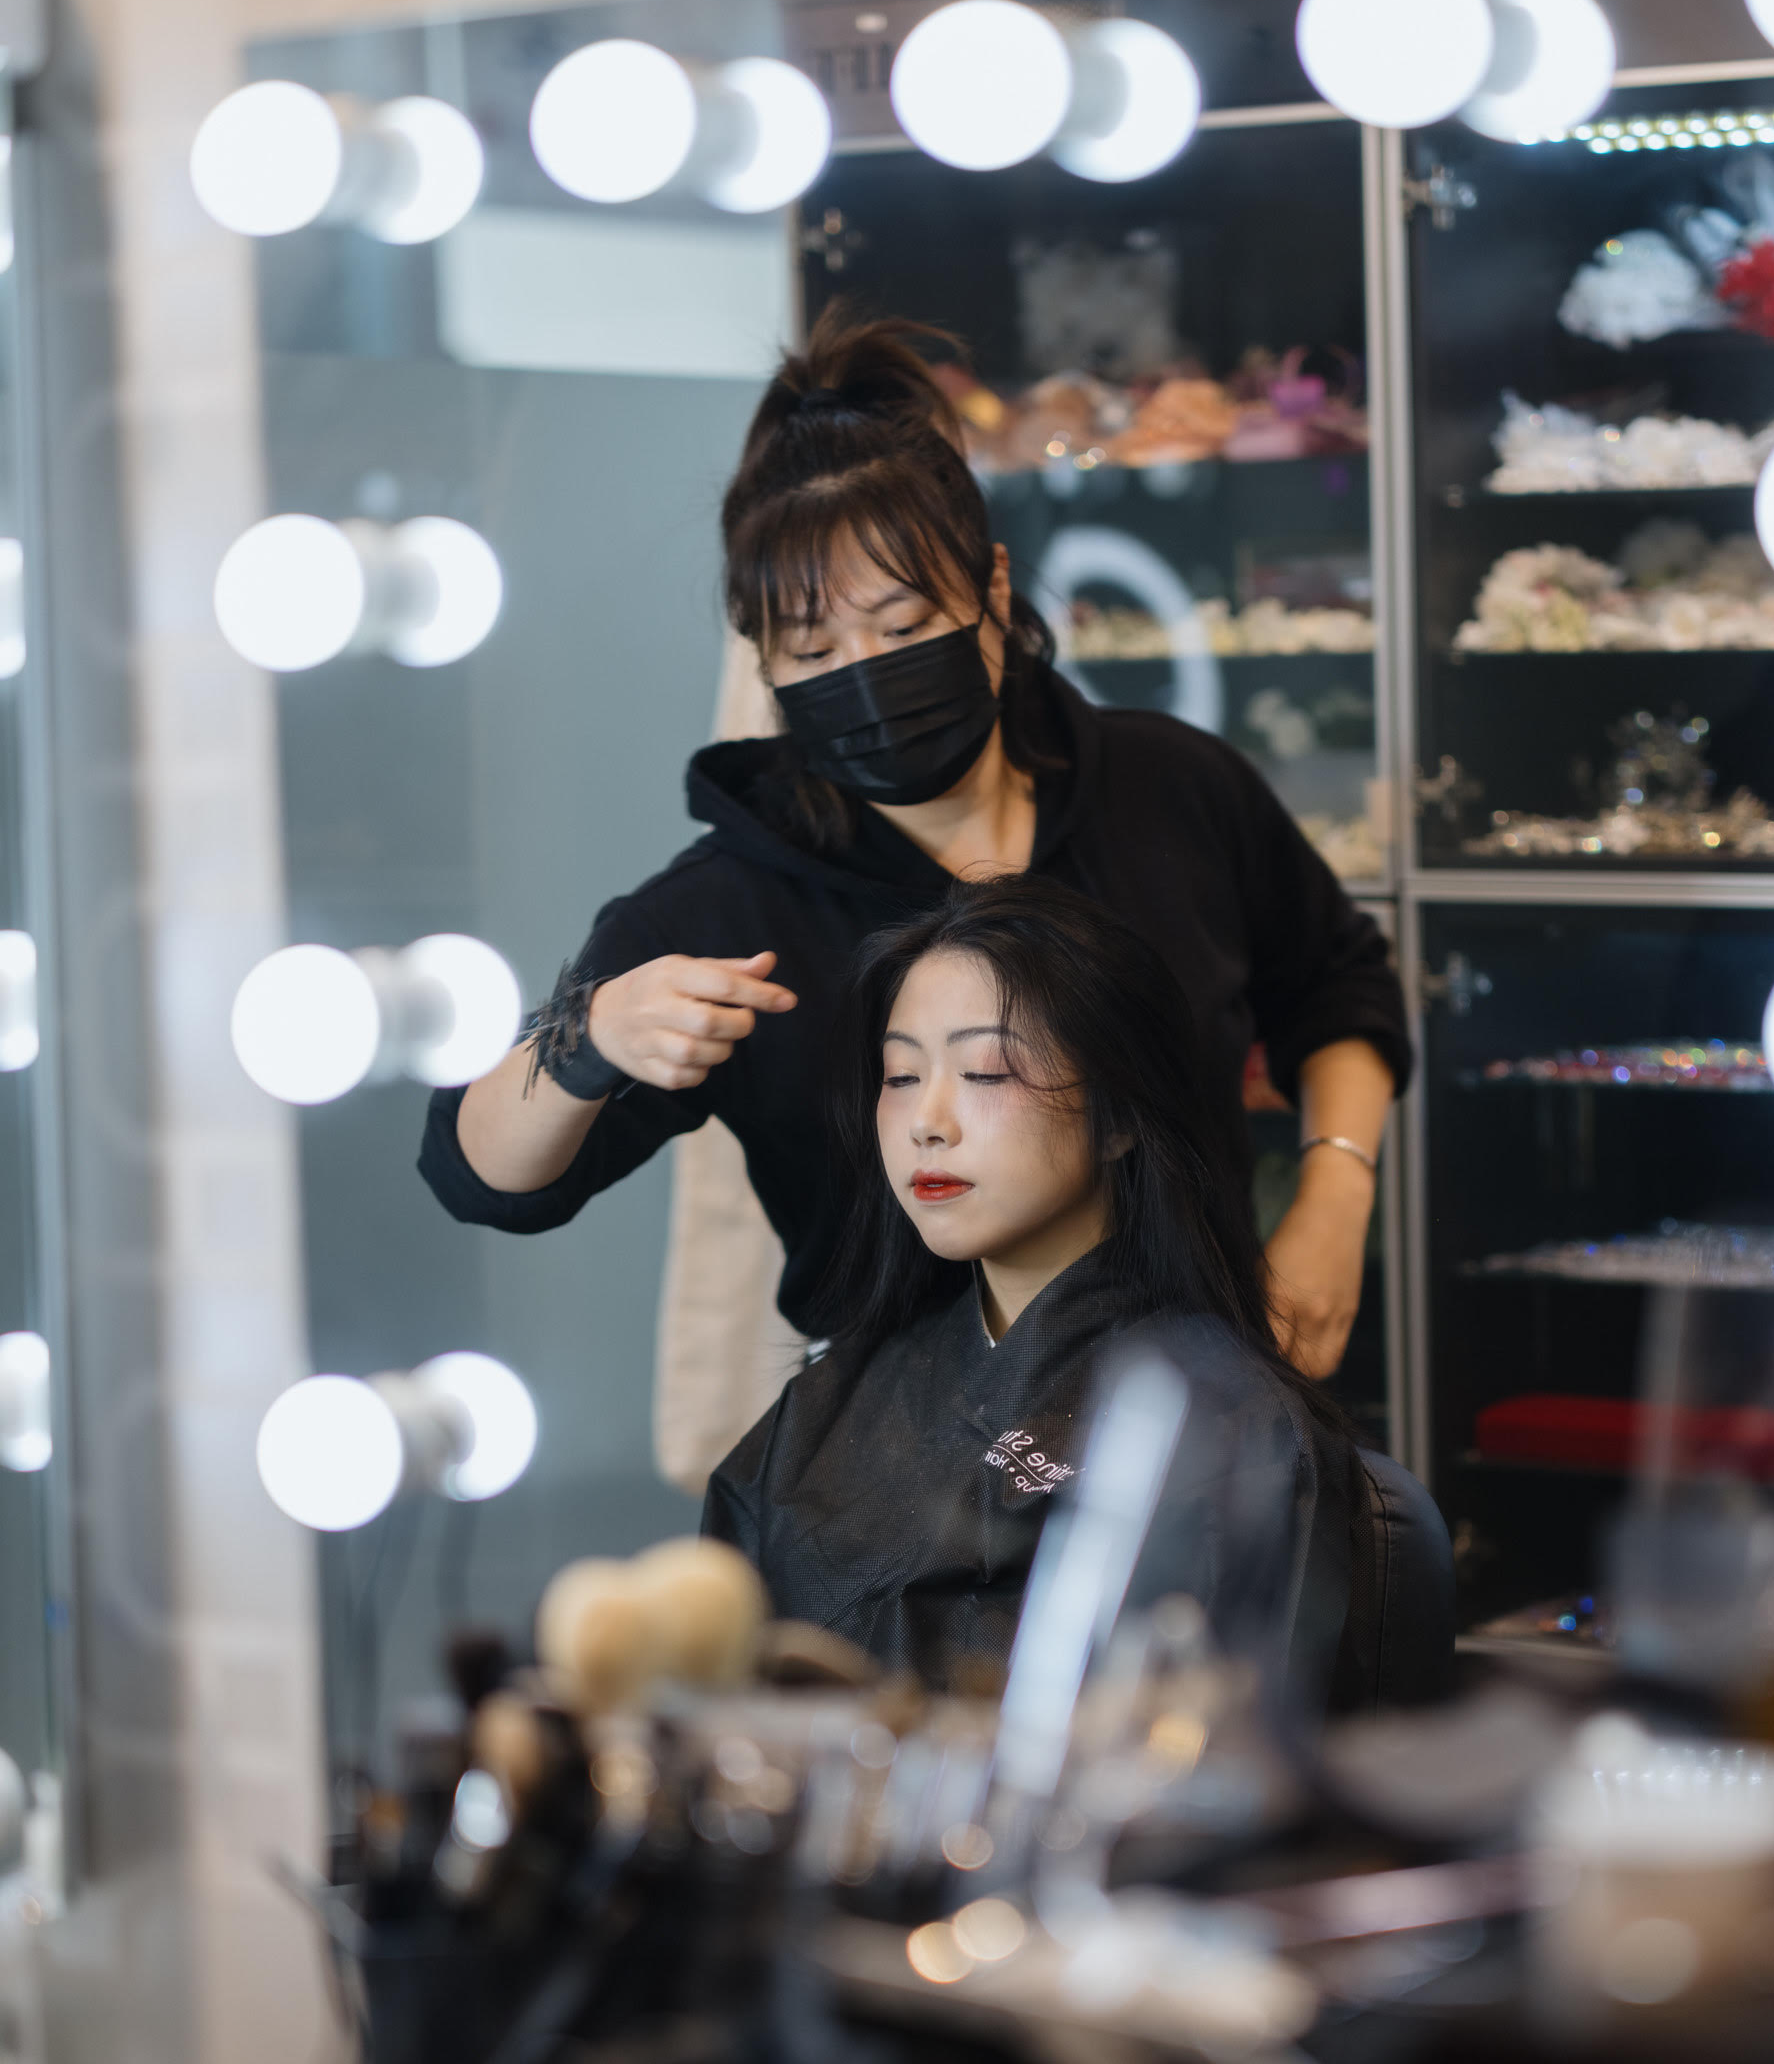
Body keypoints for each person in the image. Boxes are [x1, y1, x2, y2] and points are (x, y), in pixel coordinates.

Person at [419, 305, 1411, 1382]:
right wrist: (591, 1038)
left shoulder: (1171, 786)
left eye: (899, 627)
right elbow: (480, 1175)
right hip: (902, 1494)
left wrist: (1334, 1197)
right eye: (811, 644)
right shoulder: (724, 915)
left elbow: (1340, 984)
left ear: (991, 593)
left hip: (1209, 1416)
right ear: (764, 661)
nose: (865, 668)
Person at [701, 880, 1381, 1709]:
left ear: (1122, 1115)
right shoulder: (828, 1399)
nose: (928, 1121)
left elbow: (1210, 1765)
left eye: (986, 1071)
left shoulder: (1225, 1432)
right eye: (902, 1074)